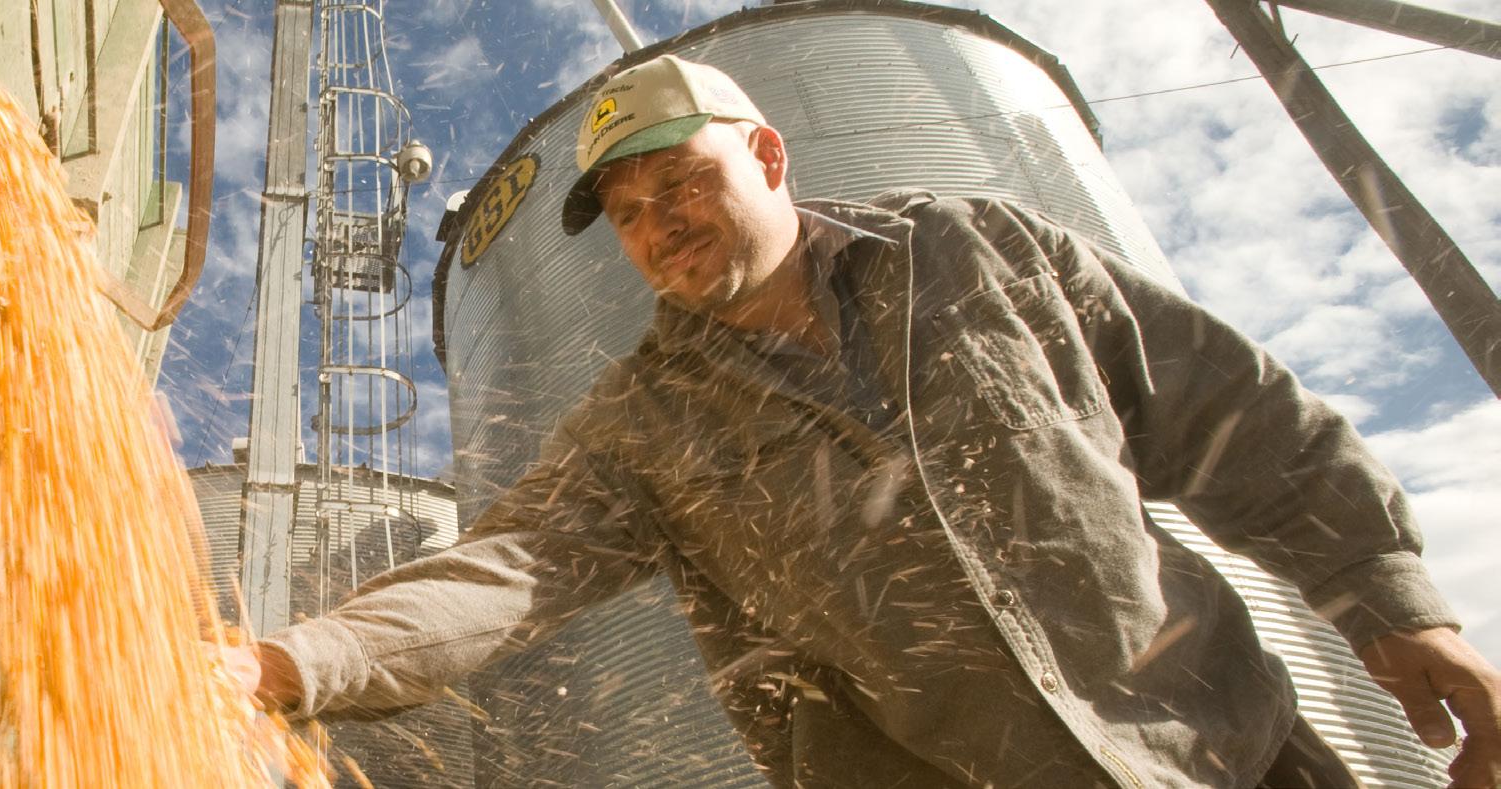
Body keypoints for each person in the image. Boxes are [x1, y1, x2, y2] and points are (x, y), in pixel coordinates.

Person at [228, 55, 1500, 787]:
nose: (661, 225)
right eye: (628, 211)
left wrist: (1398, 608)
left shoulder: (974, 253)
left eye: (688, 181)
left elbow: (1234, 416)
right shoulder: (642, 425)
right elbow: (507, 570)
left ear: (772, 158)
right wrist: (296, 662)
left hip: (1230, 750)